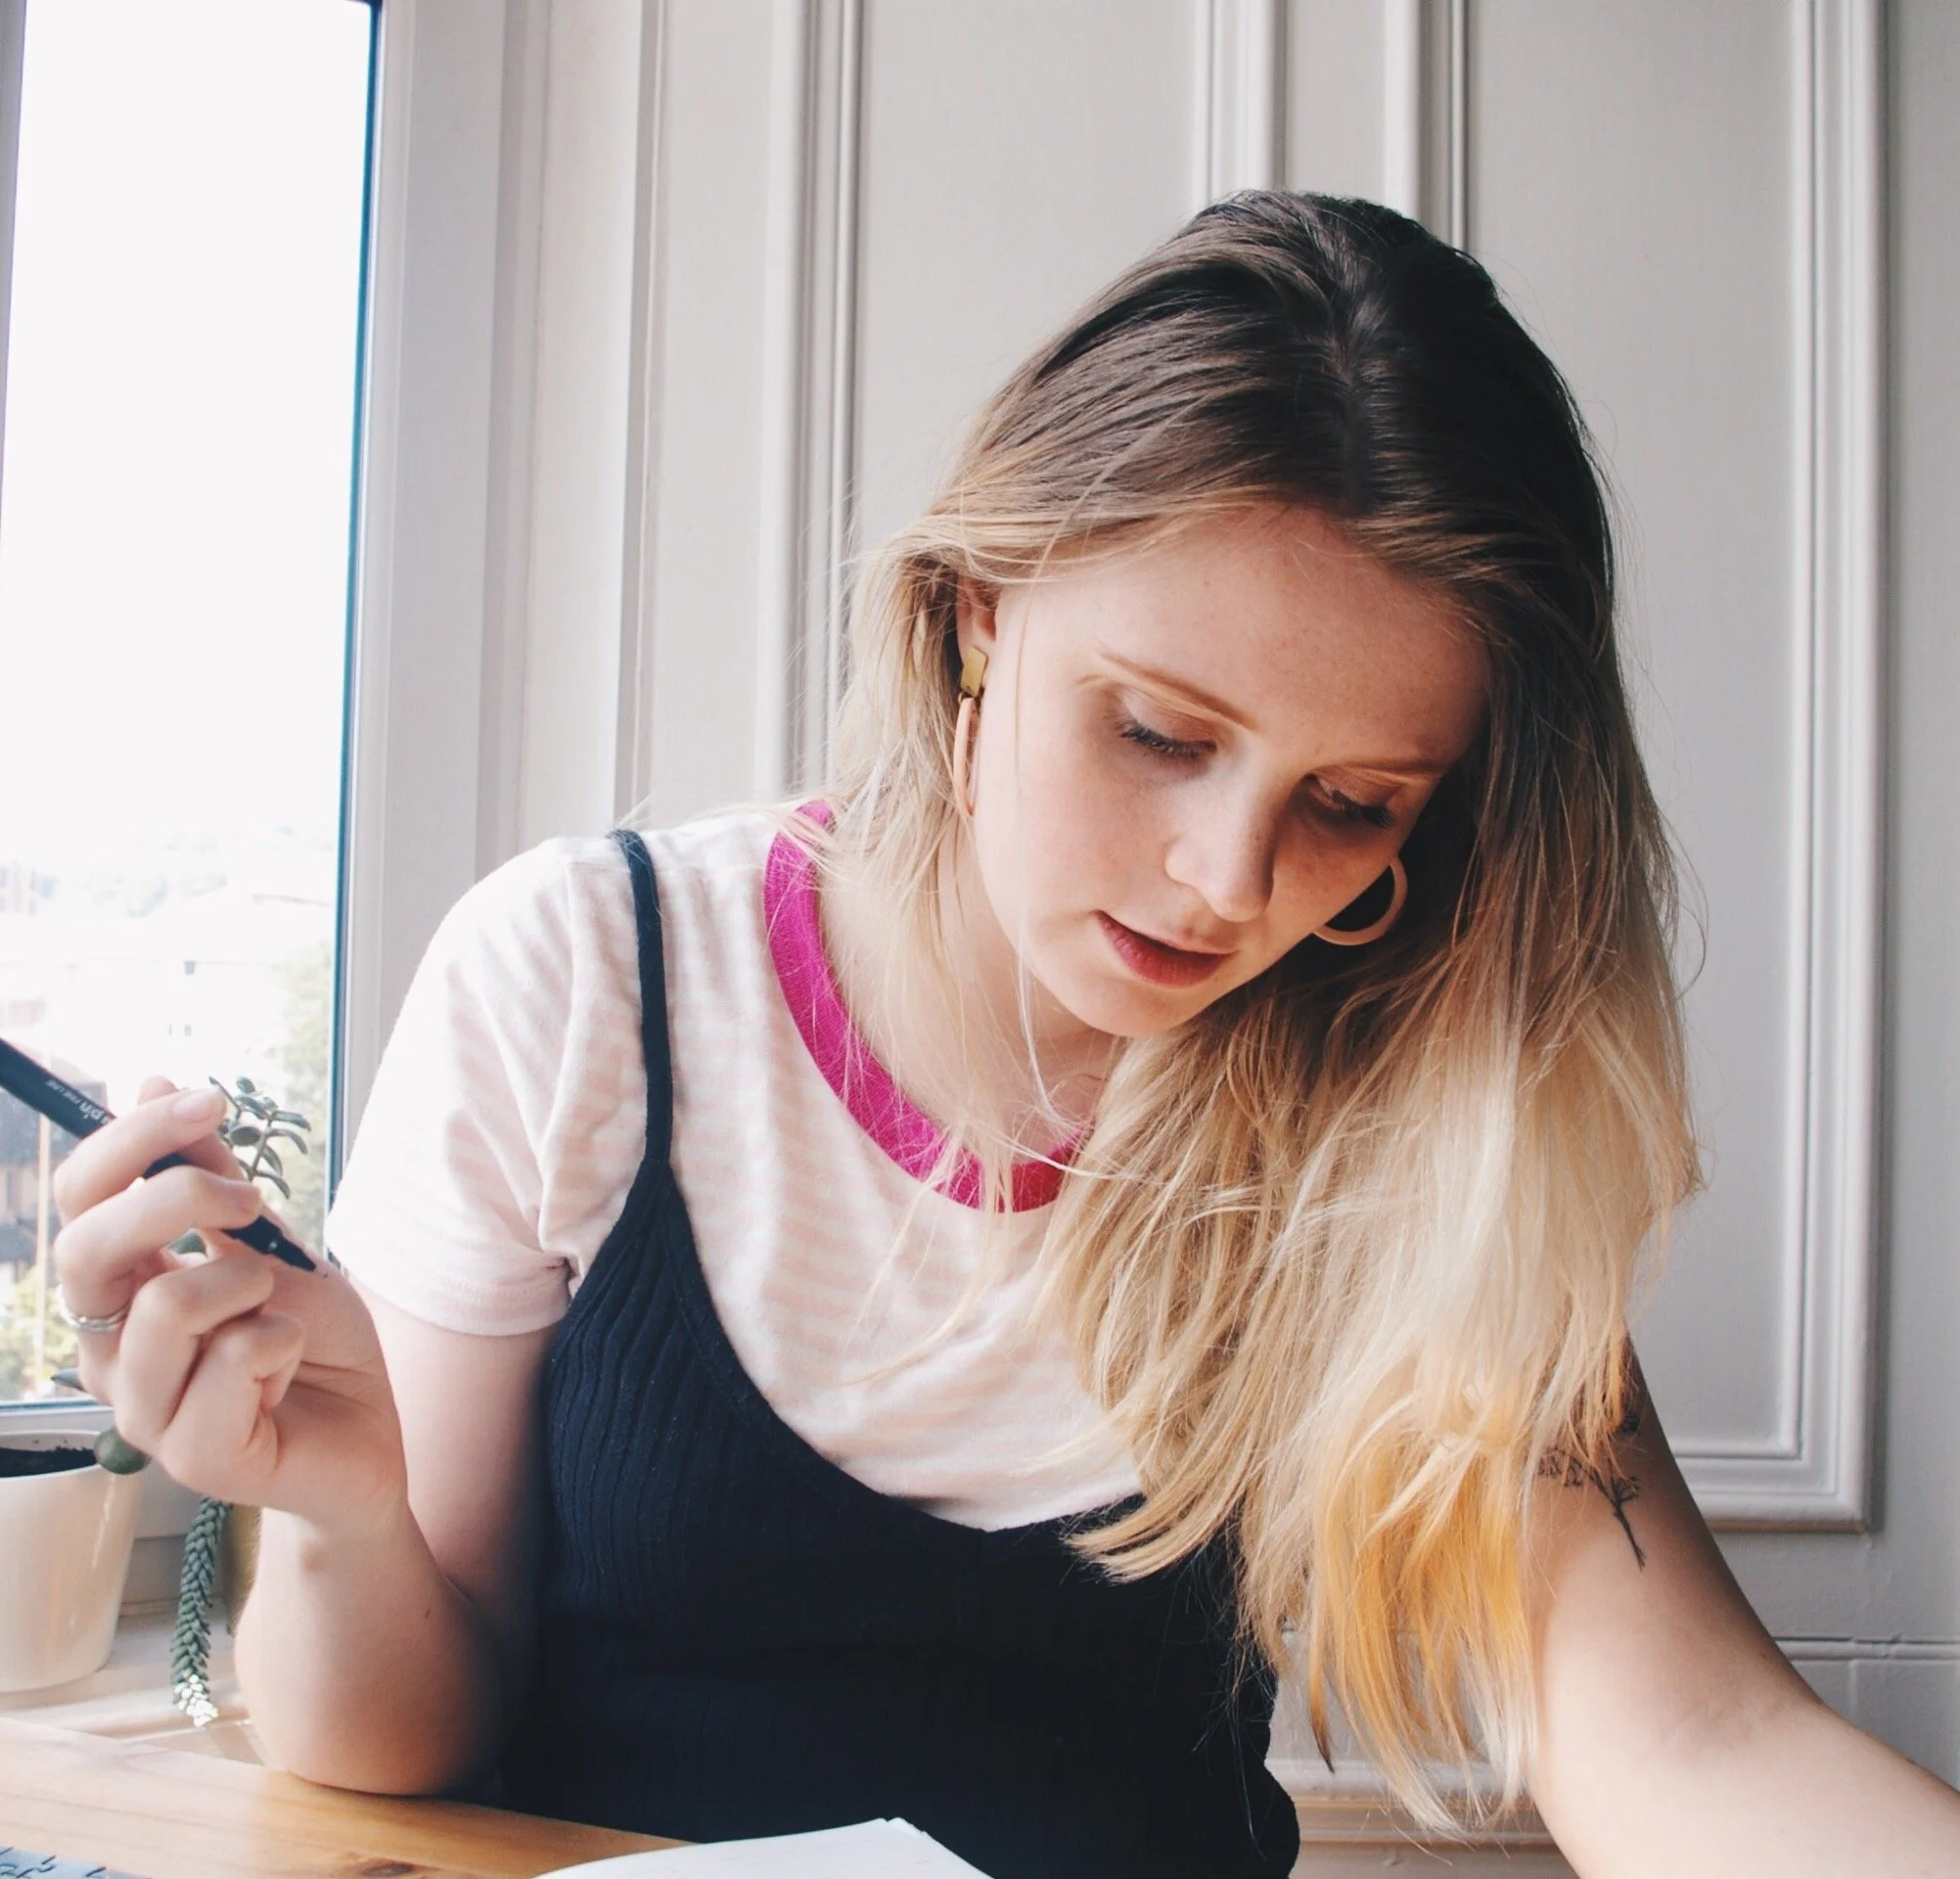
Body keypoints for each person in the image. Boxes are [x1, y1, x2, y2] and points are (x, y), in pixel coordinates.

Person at [48, 194, 1960, 1877]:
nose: (1227, 882)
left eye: (1352, 803)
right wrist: (342, 1514)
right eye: (1157, 731)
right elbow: (396, 1746)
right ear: (977, 616)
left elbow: (1691, 1741)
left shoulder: (1405, 1101)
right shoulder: (580, 977)